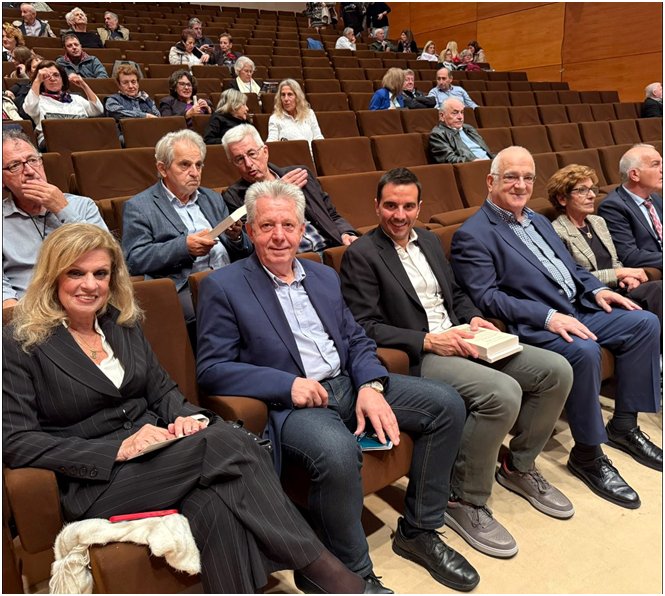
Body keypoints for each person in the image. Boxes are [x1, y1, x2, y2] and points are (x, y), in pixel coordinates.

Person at [3, 222, 375, 596]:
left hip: (160, 456)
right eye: (75, 273)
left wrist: (187, 417)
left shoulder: (120, 322)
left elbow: (163, 391)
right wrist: (117, 449)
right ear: (52, 275)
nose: (90, 285)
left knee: (214, 502)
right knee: (228, 442)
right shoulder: (20, 341)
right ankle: (328, 574)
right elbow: (16, 441)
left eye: (100, 274)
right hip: (98, 481)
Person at [196, 179, 479, 593]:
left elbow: (357, 340)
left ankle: (419, 531)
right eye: (268, 226)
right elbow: (212, 368)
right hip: (293, 406)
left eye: (288, 225)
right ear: (252, 230)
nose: (279, 236)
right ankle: (353, 576)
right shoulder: (223, 285)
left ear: (302, 229)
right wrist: (286, 384)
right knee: (339, 452)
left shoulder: (323, 275)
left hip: (348, 383)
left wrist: (371, 386)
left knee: (447, 404)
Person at [341, 168, 574, 558]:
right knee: (502, 393)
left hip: (463, 336)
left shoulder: (430, 241)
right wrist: (428, 340)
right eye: (391, 206)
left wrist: (474, 317)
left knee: (556, 371)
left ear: (419, 207)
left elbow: (456, 294)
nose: (399, 215)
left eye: (408, 206)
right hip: (422, 354)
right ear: (376, 206)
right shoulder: (361, 255)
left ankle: (518, 467)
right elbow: (364, 325)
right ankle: (462, 498)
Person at [450, 146, 662, 508]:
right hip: (536, 323)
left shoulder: (538, 221)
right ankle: (588, 454)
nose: (520, 185)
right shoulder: (473, 233)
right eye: (511, 177)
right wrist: (548, 316)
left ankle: (624, 426)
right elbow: (488, 297)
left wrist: (597, 290)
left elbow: (572, 269)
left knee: (644, 322)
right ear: (490, 181)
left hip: (578, 307)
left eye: (527, 177)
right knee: (584, 351)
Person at [122, 129, 253, 327]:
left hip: (230, 275)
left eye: (198, 165)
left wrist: (236, 237)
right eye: (185, 165)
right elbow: (134, 260)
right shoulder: (139, 206)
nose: (195, 172)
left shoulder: (212, 198)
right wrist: (184, 248)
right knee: (229, 313)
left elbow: (245, 249)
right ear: (163, 169)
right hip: (185, 287)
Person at [2, 129, 107, 307]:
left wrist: (63, 210)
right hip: (29, 311)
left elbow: (109, 257)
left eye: (33, 160)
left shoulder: (83, 206)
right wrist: (13, 316)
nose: (30, 171)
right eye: (15, 166)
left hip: (88, 302)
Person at [548, 164, 661, 324]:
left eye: (592, 189)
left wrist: (627, 278)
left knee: (657, 289)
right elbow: (574, 278)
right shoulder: (557, 231)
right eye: (582, 190)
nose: (592, 195)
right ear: (562, 199)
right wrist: (619, 274)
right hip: (592, 298)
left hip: (618, 289)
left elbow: (615, 261)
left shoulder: (597, 222)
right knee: (656, 291)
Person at [222, 124, 358, 254]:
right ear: (233, 164)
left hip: (332, 247)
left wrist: (346, 233)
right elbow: (252, 242)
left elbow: (330, 213)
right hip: (292, 259)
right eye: (239, 159)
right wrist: (279, 190)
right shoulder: (234, 196)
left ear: (265, 152)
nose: (248, 164)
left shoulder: (300, 174)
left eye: (252, 154)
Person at [597, 144, 662, 271]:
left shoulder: (655, 198)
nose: (661, 169)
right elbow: (630, 256)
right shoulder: (612, 207)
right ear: (634, 175)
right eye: (655, 164)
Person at [23, 60, 103, 150]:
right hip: (52, 142)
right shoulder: (39, 100)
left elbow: (98, 110)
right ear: (42, 82)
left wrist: (84, 85)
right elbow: (29, 108)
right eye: (46, 76)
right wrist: (37, 80)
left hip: (81, 138)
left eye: (56, 75)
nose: (53, 79)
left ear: (62, 79)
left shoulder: (77, 98)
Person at [267, 79, 323, 157]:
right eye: (283, 95)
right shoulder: (275, 118)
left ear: (297, 97)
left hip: (311, 157)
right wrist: (276, 144)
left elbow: (318, 137)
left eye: (290, 94)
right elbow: (270, 142)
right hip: (289, 159)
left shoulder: (309, 114)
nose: (286, 99)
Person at [105, 64, 159, 143]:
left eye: (133, 82)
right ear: (119, 85)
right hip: (126, 137)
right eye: (125, 83)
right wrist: (145, 116)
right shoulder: (112, 100)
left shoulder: (146, 98)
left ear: (138, 83)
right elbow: (119, 114)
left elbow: (157, 117)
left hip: (149, 134)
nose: (130, 86)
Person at [430, 97, 494, 164]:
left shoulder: (469, 128)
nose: (460, 117)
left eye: (462, 112)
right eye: (455, 113)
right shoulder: (438, 134)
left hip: (490, 164)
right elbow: (449, 159)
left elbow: (488, 152)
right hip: (473, 166)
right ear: (442, 116)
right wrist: (474, 161)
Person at [4, 52, 42, 120]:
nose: (40, 70)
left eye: (42, 67)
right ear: (29, 73)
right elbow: (7, 95)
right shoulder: (22, 85)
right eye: (36, 67)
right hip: (20, 120)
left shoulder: (54, 89)